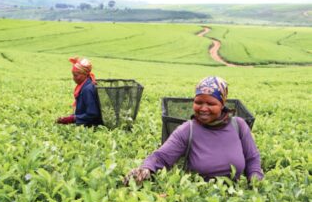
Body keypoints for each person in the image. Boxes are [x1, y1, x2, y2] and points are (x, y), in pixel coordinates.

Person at [124, 76, 263, 185]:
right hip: (199, 199)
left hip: (236, 199)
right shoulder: (187, 129)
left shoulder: (238, 126)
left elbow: (252, 159)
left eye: (210, 103)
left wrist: (255, 182)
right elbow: (161, 157)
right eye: (198, 102)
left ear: (222, 104)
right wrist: (145, 169)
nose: (203, 108)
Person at [57, 57, 102, 127]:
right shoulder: (86, 84)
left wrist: (73, 119)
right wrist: (71, 117)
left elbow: (92, 114)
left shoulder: (87, 89)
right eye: (73, 75)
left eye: (76, 75)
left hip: (92, 126)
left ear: (85, 74)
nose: (73, 78)